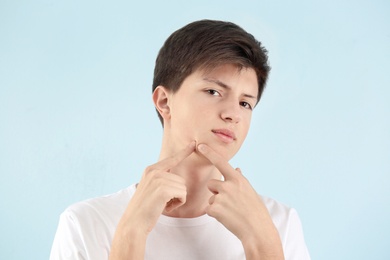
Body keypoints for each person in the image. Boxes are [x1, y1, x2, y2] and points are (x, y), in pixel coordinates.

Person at [50, 19, 310, 260]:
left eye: (245, 103)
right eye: (213, 91)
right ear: (164, 101)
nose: (233, 114)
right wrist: (131, 233)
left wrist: (263, 242)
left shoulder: (279, 222)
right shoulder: (85, 223)